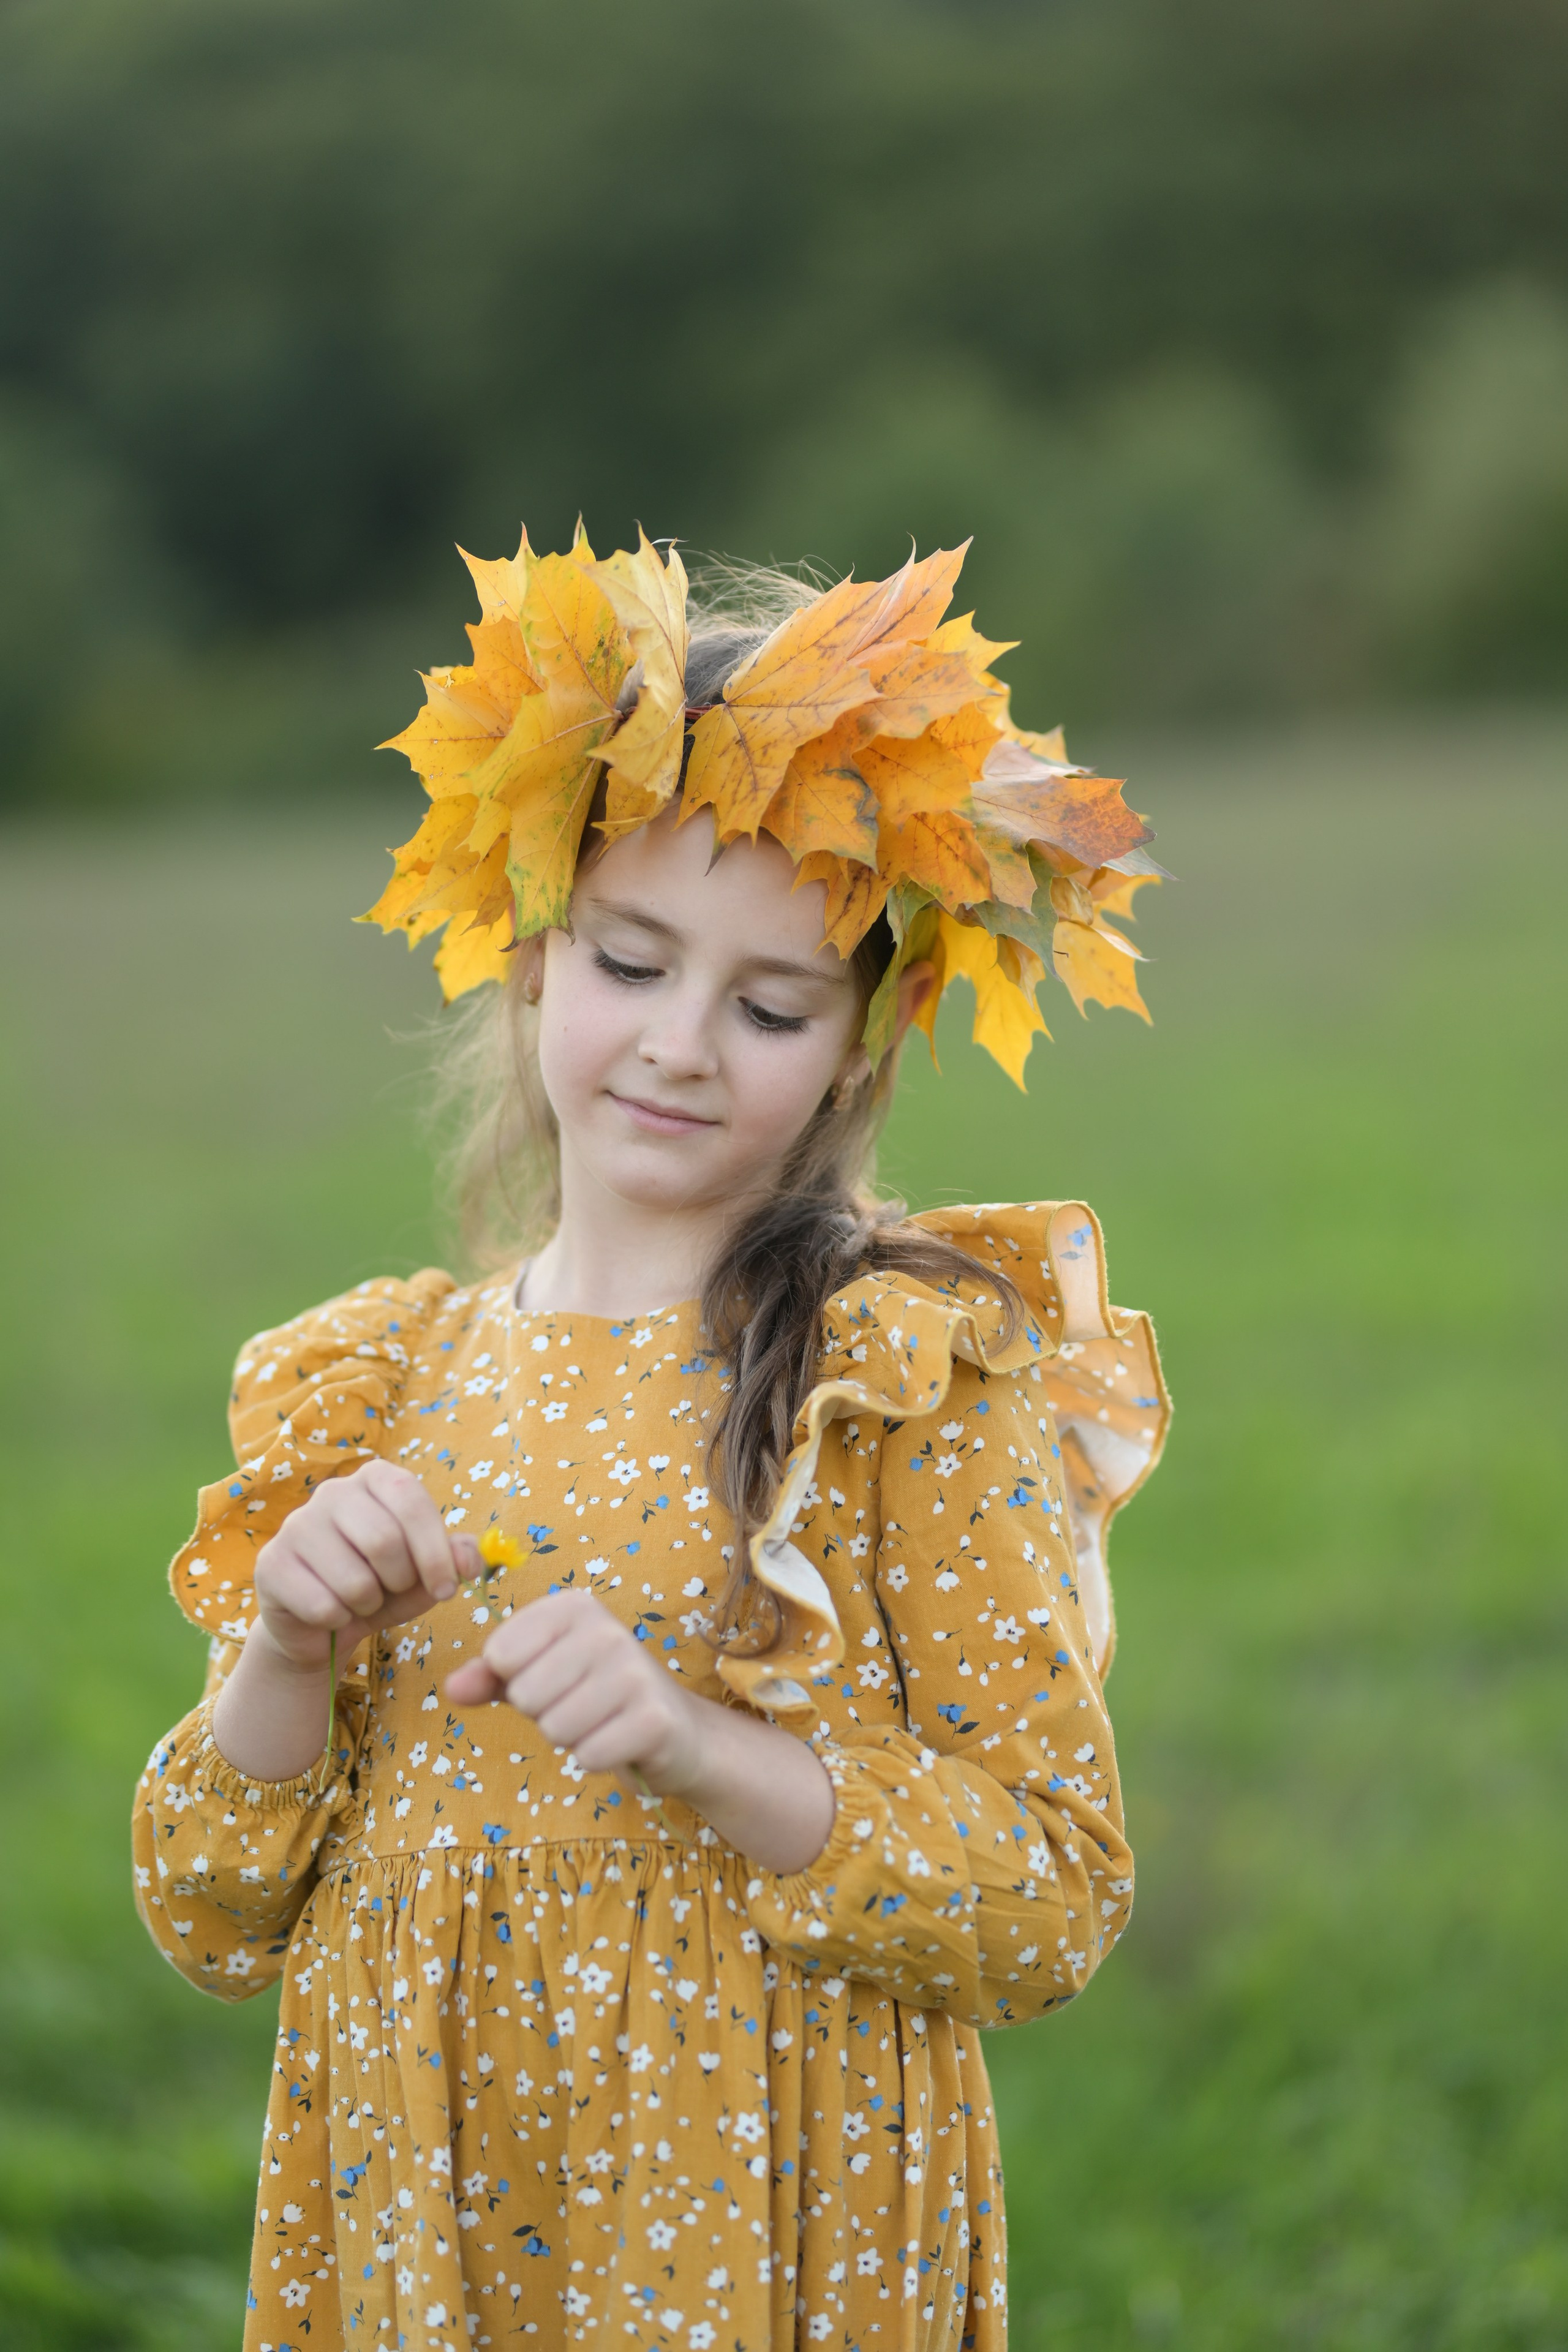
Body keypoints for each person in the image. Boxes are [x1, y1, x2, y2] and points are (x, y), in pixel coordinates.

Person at [133, 527, 1170, 2352]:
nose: (681, 1044)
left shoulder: (899, 1381)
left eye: (769, 1006)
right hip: (430, 2209)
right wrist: (288, 1646)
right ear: (534, 954)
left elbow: (1049, 1896)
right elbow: (213, 1914)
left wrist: (703, 1749)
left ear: (859, 1046)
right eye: (630, 963)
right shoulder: (379, 1386)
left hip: (767, 2213)